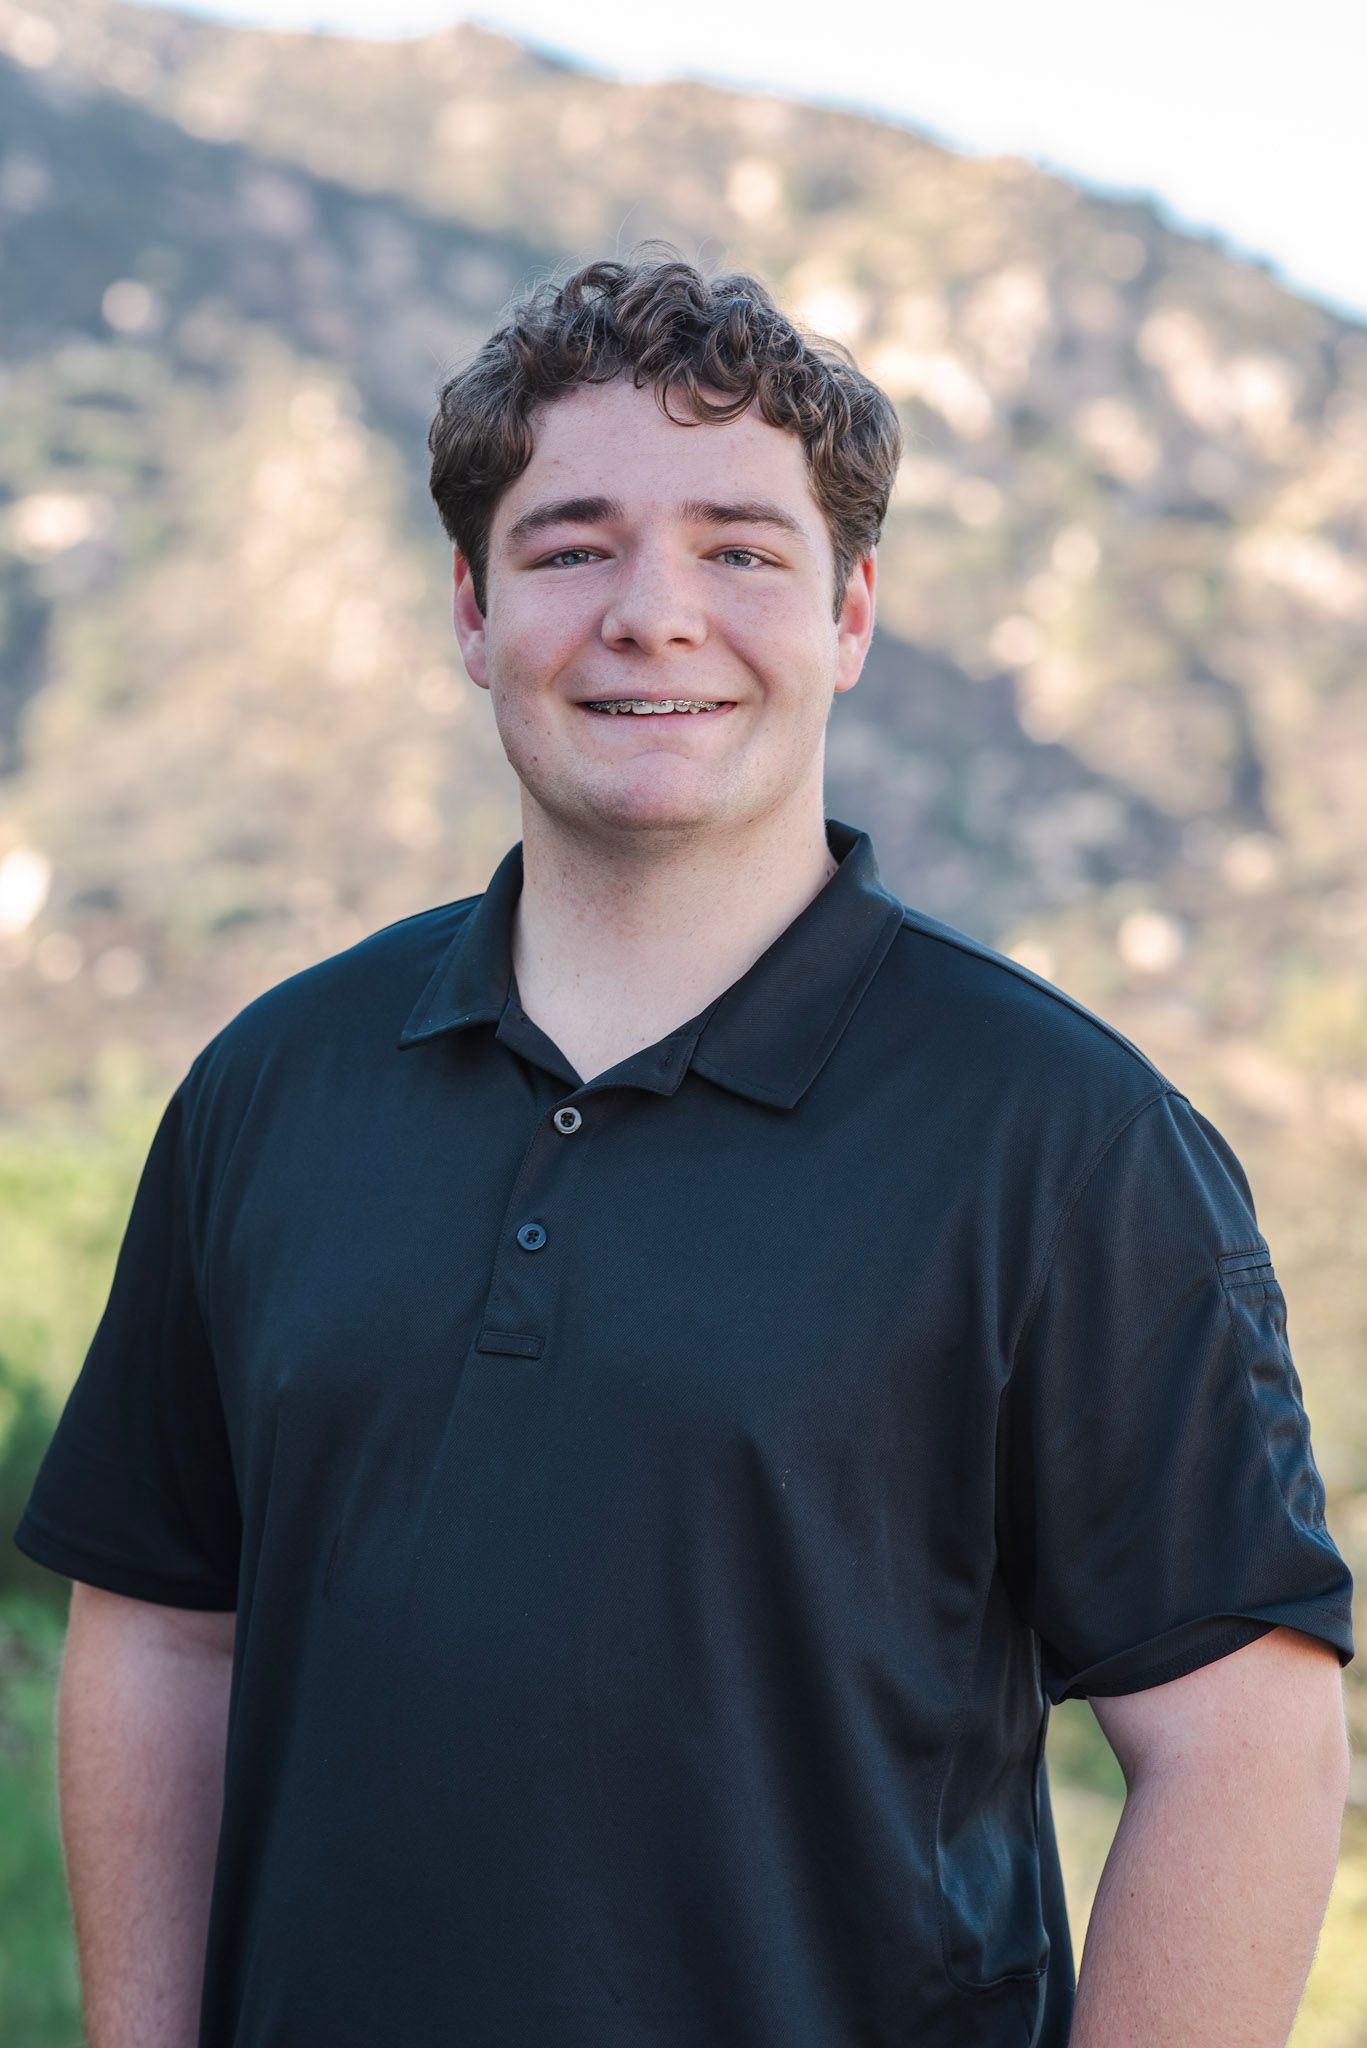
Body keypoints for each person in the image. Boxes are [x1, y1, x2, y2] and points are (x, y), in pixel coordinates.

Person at [14, 250, 1355, 2048]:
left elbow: (1242, 1741)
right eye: (572, 546)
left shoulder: (1067, 1139)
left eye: (741, 547)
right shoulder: (273, 1084)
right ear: (473, 614)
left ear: (853, 613)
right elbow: (168, 1627)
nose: (654, 613)